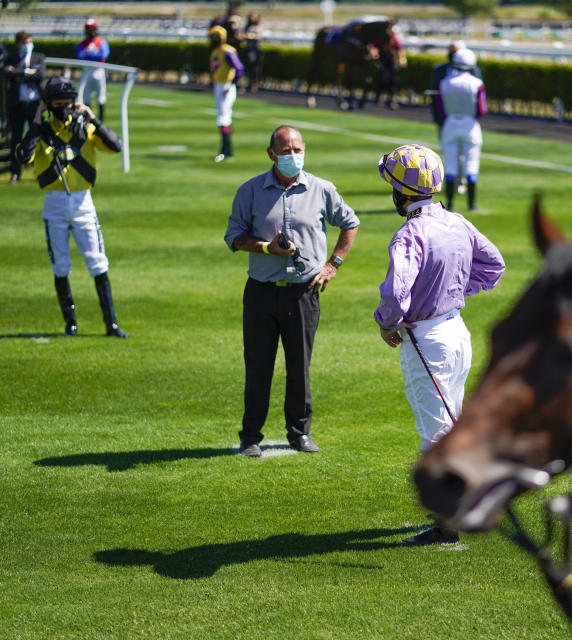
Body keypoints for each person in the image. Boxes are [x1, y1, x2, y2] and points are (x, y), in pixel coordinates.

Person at [374, 143, 505, 544]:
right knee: (452, 424)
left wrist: (386, 323)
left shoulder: (409, 234)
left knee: (436, 433)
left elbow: (397, 295)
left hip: (426, 339)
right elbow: (494, 265)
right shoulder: (457, 221)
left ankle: (448, 523)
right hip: (456, 331)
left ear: (403, 193)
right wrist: (455, 289)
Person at [224, 125, 360, 456]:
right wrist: (267, 248)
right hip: (261, 292)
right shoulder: (251, 190)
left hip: (303, 294)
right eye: (285, 151)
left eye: (298, 150)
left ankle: (299, 433)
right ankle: (251, 436)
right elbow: (234, 237)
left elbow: (350, 223)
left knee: (299, 366)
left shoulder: (322, 189)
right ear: (271, 154)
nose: (293, 156)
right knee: (258, 366)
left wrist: (333, 265)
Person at [15, 77, 128, 338]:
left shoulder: (84, 129)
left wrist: (92, 119)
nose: (64, 109)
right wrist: (35, 122)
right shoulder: (42, 131)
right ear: (47, 105)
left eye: (68, 103)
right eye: (57, 104)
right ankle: (71, 324)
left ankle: (111, 324)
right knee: (60, 265)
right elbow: (23, 156)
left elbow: (115, 145)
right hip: (54, 203)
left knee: (97, 262)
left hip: (83, 201)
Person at [434, 49, 487, 212]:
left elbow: (440, 108)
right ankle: (471, 204)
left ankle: (449, 204)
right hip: (470, 125)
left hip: (450, 123)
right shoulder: (477, 83)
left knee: (449, 165)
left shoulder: (444, 82)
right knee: (471, 165)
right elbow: (482, 109)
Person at [1, 31, 45, 184]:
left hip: (34, 104)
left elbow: (40, 75)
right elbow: (6, 72)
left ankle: (39, 170)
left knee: (38, 137)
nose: (28, 45)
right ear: (19, 43)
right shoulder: (11, 58)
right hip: (17, 104)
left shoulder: (38, 57)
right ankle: (15, 172)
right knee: (16, 138)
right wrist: (27, 72)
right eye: (26, 42)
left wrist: (19, 74)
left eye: (30, 41)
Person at [428, 41, 481, 135]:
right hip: (446, 120)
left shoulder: (474, 74)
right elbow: (436, 96)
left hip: (468, 122)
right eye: (450, 51)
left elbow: (480, 101)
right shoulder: (440, 72)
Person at [208, 25, 244, 163]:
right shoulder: (215, 52)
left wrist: (232, 83)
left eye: (216, 36)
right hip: (218, 85)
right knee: (222, 117)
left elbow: (239, 68)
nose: (213, 39)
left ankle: (226, 151)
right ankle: (226, 150)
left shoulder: (228, 51)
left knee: (223, 118)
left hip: (226, 86)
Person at [76, 19, 110, 121]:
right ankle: (87, 120)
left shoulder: (101, 42)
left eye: (92, 29)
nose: (90, 31)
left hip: (99, 71)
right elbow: (80, 56)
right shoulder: (82, 44)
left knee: (101, 97)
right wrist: (95, 55)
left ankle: (101, 122)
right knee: (86, 97)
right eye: (88, 29)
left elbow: (103, 56)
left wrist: (89, 54)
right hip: (86, 71)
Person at [241, 13, 263, 94]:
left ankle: (255, 84)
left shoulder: (258, 26)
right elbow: (243, 35)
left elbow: (260, 36)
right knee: (248, 67)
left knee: (256, 68)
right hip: (248, 49)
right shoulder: (247, 26)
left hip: (256, 49)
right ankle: (248, 83)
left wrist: (249, 36)